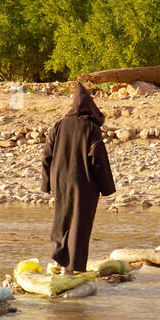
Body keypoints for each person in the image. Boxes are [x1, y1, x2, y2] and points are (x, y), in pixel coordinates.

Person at [41, 82, 116, 274]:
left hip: (60, 180)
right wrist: (107, 187)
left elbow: (47, 155)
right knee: (79, 223)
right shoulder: (91, 128)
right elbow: (97, 160)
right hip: (83, 182)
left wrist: (46, 183)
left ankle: (58, 261)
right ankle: (72, 268)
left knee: (61, 219)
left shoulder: (59, 125)